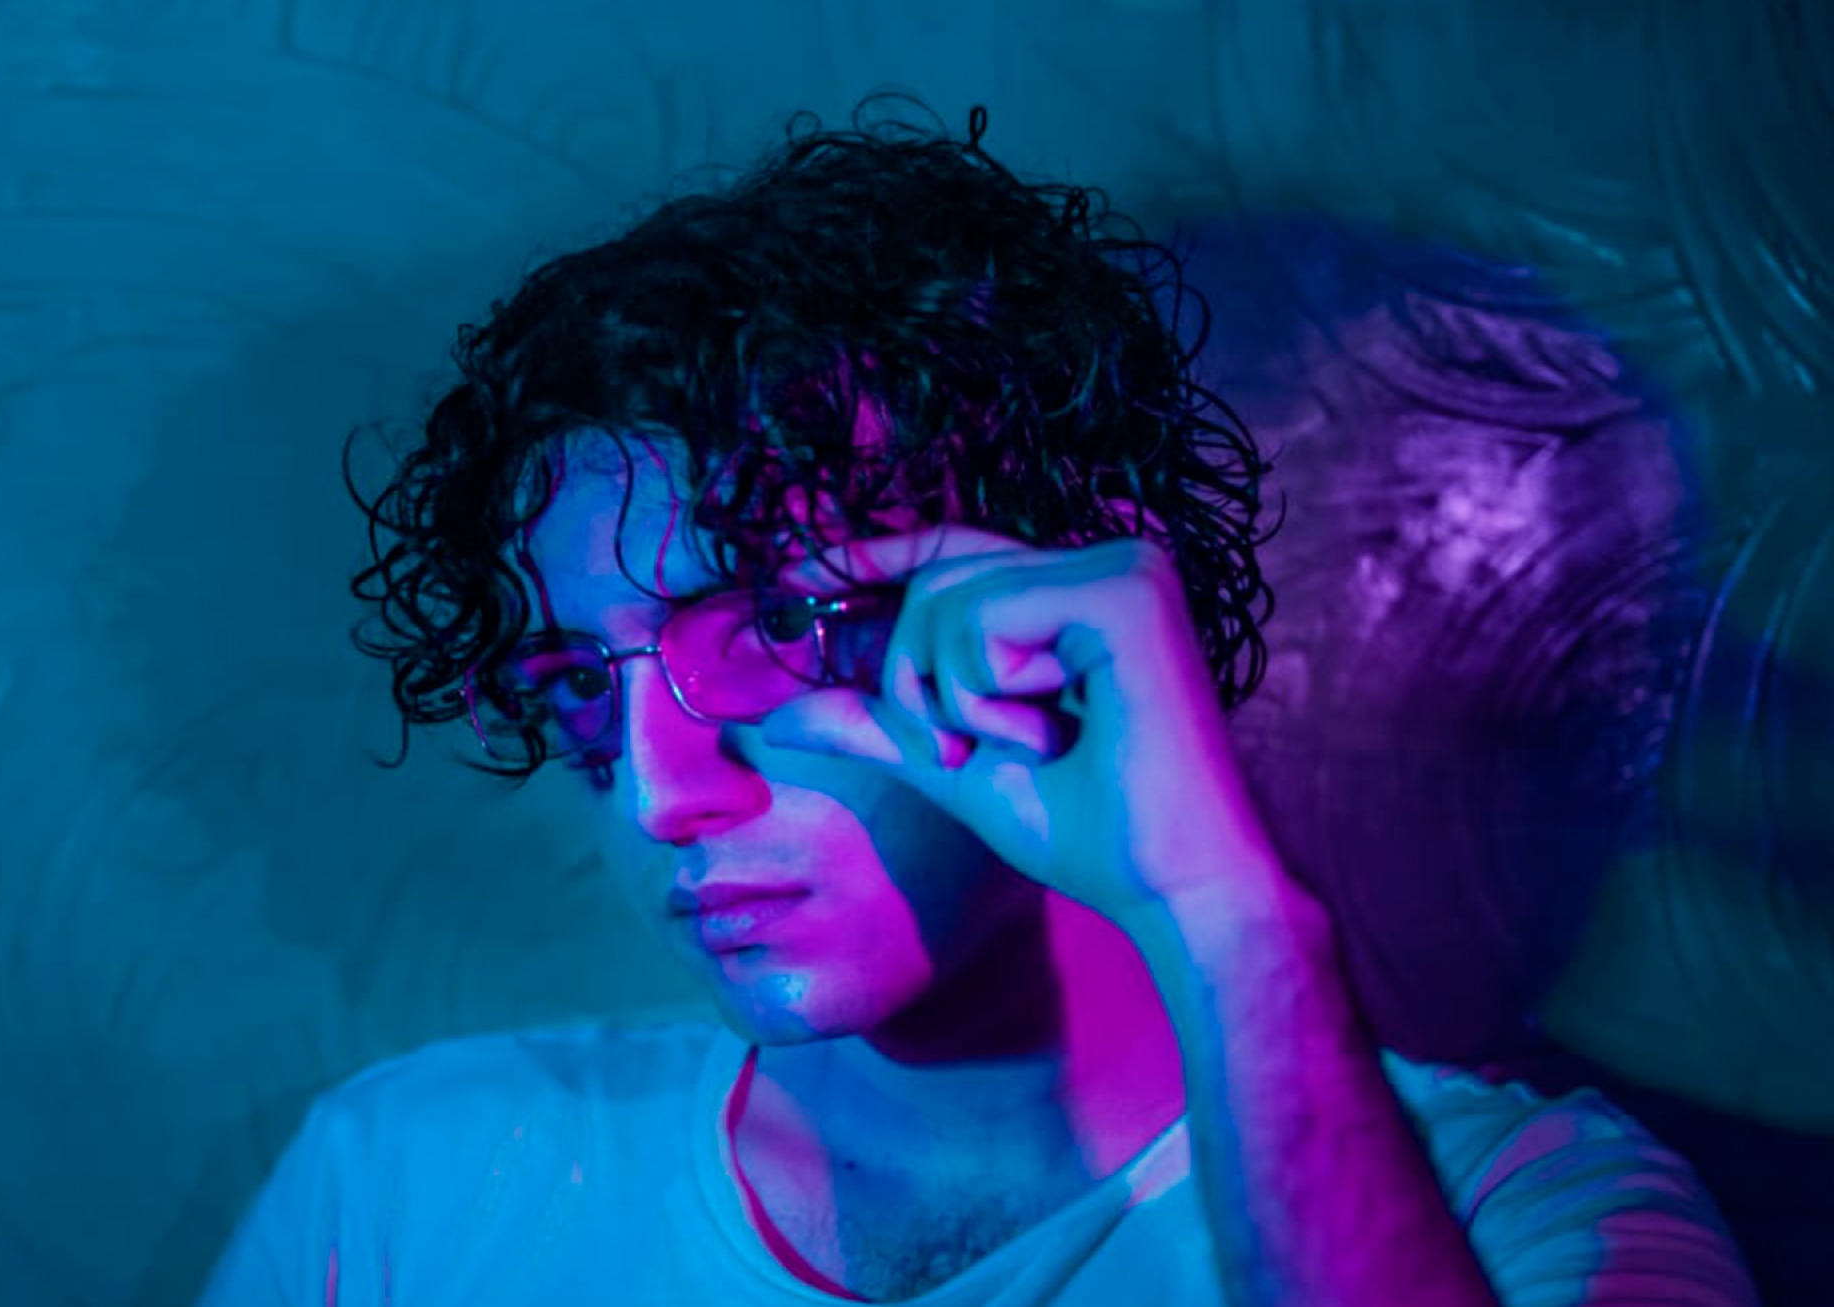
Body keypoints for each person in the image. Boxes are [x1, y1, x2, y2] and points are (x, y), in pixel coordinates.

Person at [197, 101, 1759, 1306]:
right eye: (577, 692)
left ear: (1059, 611)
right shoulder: (404, 1190)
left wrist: (1228, 925)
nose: (659, 796)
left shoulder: (1534, 1214)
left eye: (772, 630)